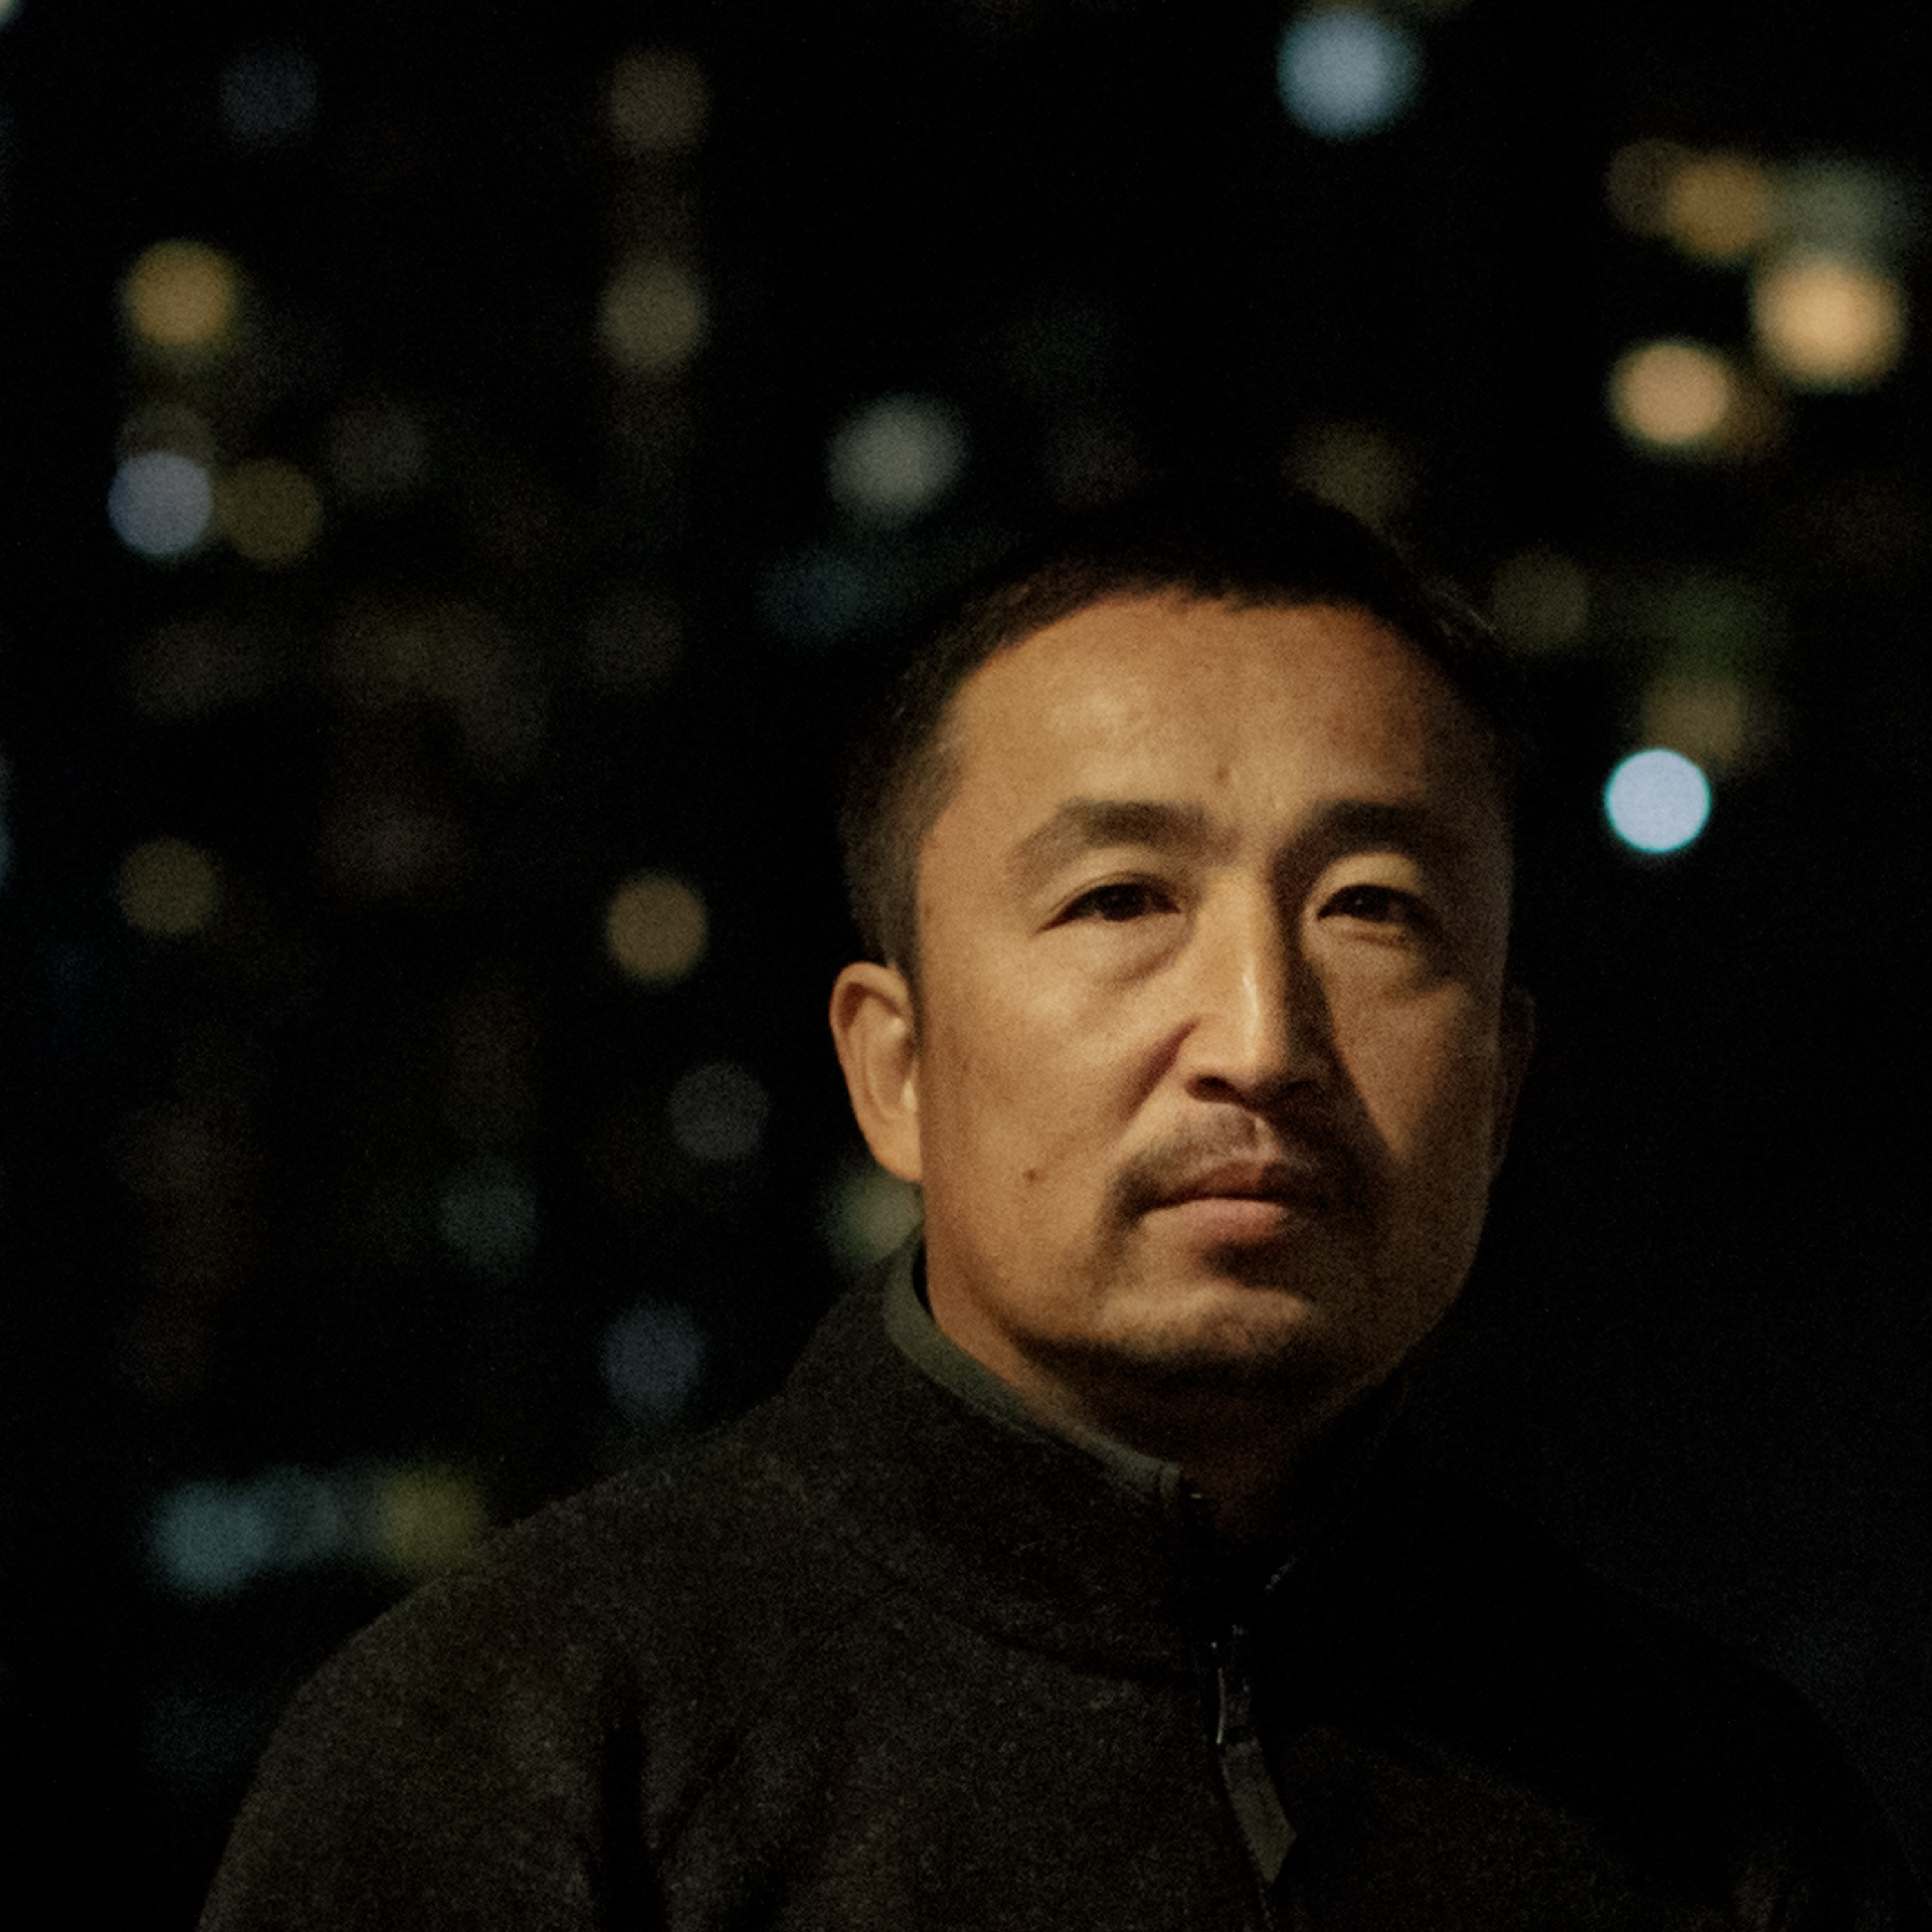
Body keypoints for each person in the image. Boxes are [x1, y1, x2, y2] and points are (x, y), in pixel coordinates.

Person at [201, 489, 1927, 1930]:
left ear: (1502, 1082)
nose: (1261, 1040)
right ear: (895, 1069)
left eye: (1374, 908)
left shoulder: (1718, 1806)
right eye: (1118, 900)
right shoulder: (527, 1750)